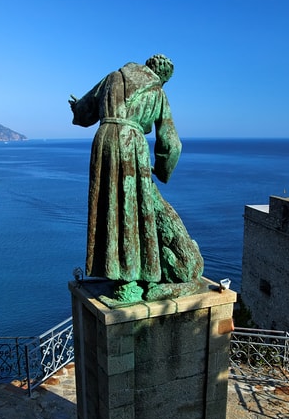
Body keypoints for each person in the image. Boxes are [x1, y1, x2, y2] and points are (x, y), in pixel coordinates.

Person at [69, 54, 203, 303]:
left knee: (109, 206)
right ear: (162, 76)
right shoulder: (158, 92)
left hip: (104, 142)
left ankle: (113, 269)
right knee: (133, 211)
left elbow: (84, 112)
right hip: (132, 146)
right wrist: (162, 171)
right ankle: (130, 277)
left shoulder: (113, 77)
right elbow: (172, 144)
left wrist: (77, 108)